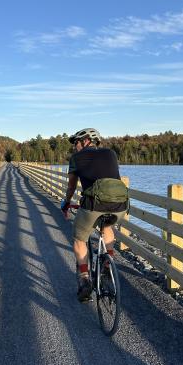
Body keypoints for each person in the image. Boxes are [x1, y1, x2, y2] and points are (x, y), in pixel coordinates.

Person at [61, 128, 128, 302]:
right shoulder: (111, 153)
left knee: (79, 238)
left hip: (94, 204)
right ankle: (108, 262)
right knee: (107, 226)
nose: (75, 146)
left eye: (76, 142)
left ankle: (84, 279)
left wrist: (66, 203)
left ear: (86, 141)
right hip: (120, 204)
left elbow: (71, 187)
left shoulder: (76, 158)